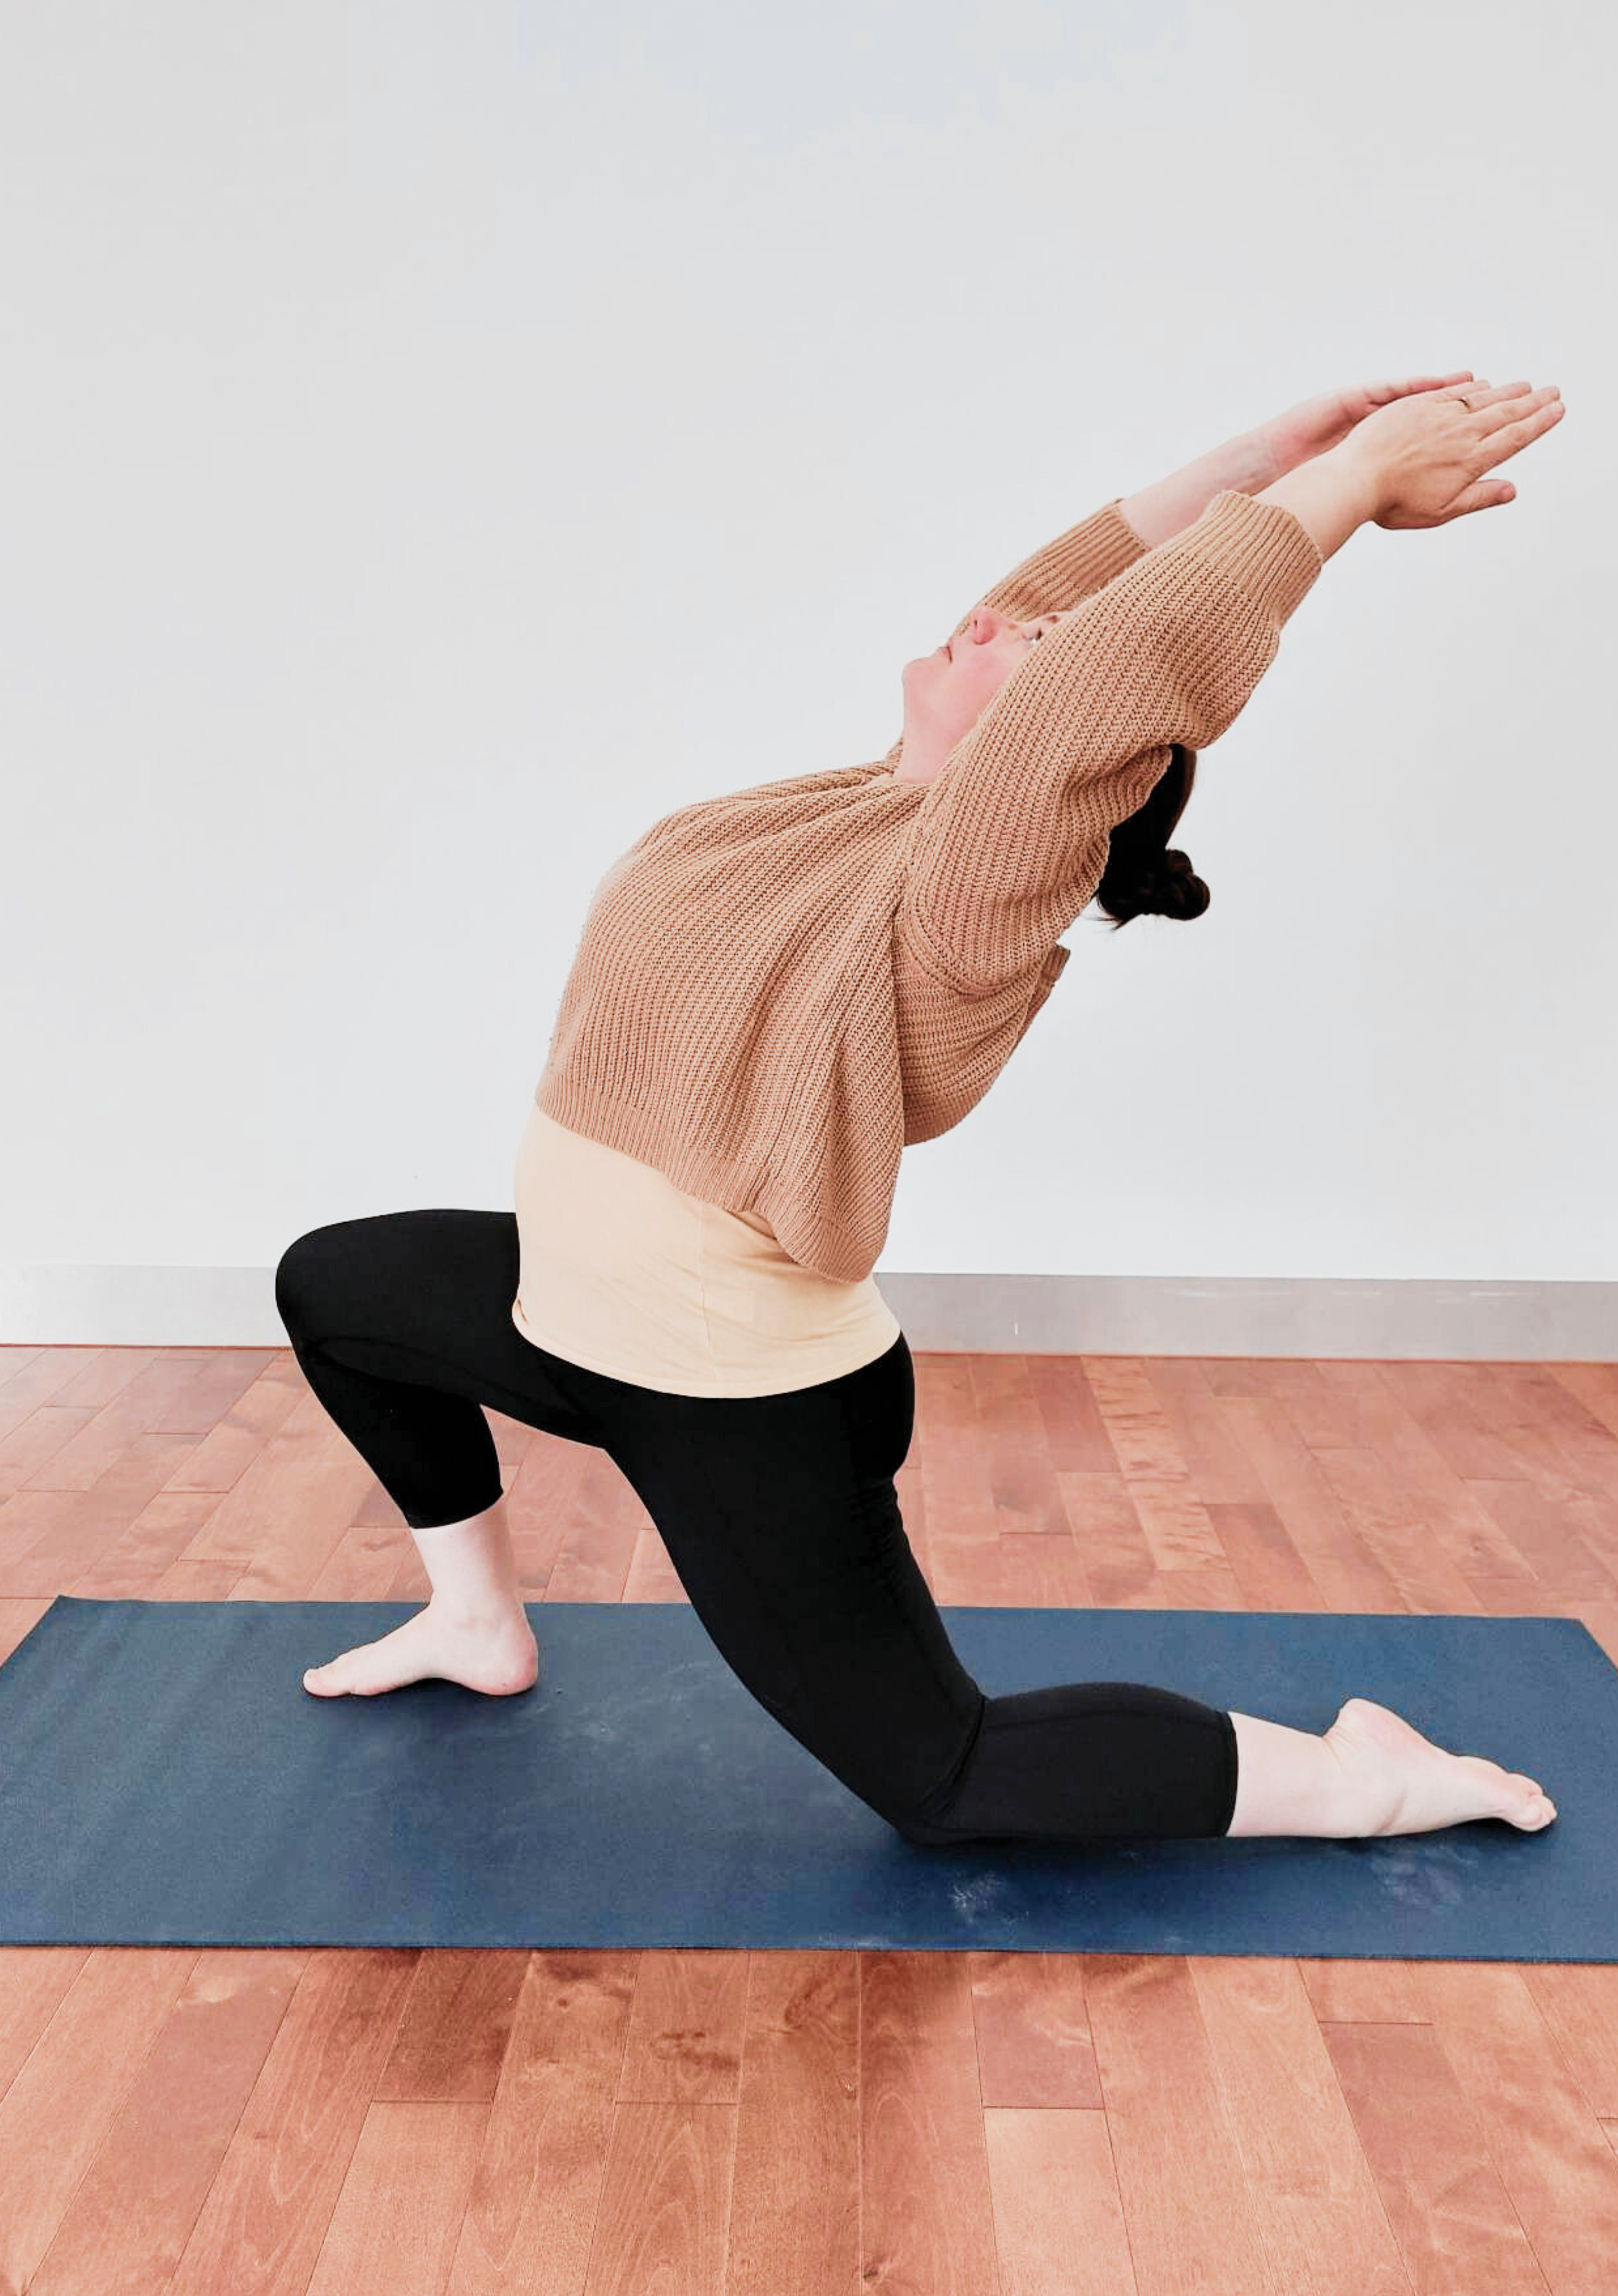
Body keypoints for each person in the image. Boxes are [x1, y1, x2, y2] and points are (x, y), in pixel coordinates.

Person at [275, 373, 1565, 1848]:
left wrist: (1344, 493)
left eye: (1043, 658)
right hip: (568, 1315)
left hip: (729, 1397)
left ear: (1067, 768)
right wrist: (1260, 460)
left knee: (945, 1782)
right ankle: (475, 1623)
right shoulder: (856, 803)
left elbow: (1110, 671)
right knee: (338, 1287)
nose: (1002, 624)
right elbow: (1041, 620)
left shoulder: (962, 896)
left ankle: (1366, 1778)